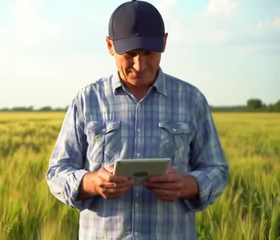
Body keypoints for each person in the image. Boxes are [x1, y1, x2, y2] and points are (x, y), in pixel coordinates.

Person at [46, 0, 229, 239]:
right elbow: (56, 172)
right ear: (110, 46)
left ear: (164, 43)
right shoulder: (87, 100)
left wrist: (188, 185)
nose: (139, 65)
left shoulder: (191, 100)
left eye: (149, 53)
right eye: (130, 54)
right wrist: (91, 182)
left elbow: (217, 169)